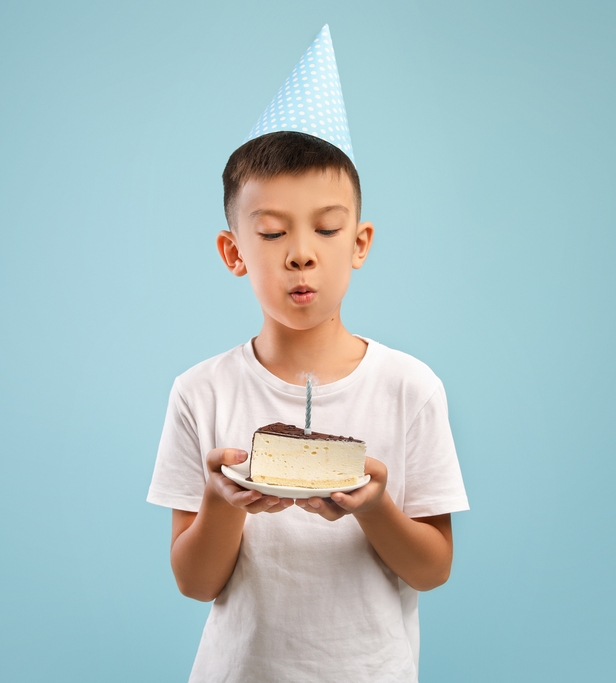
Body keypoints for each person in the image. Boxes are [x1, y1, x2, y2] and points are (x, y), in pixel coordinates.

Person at [147, 25, 468, 683]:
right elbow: (194, 581)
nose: (301, 251)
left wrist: (375, 505)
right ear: (234, 251)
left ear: (359, 242)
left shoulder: (411, 388)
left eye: (326, 228)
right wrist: (221, 500)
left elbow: (433, 568)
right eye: (271, 231)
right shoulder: (200, 393)